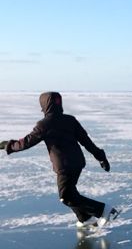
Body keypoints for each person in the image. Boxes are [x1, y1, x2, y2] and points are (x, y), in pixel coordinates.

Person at [0, 92, 118, 228]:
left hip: (64, 166)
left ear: (44, 105)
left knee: (66, 196)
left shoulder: (44, 124)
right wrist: (101, 158)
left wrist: (5, 145)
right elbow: (87, 142)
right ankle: (85, 218)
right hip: (78, 163)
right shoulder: (70, 120)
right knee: (71, 193)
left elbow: (25, 143)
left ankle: (105, 211)